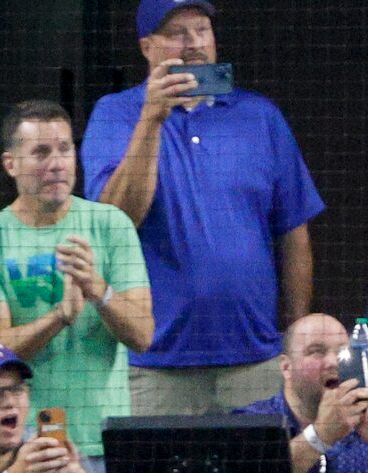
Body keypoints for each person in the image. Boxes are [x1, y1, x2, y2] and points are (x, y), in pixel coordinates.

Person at [81, 1, 323, 417]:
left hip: (254, 360)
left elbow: (294, 235)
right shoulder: (115, 114)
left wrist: (295, 335)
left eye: (203, 30)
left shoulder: (260, 116)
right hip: (153, 365)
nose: (194, 44)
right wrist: (151, 119)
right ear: (146, 47)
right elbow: (115, 222)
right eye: (178, 33)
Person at [0, 101, 152, 463]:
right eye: (41, 153)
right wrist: (59, 317)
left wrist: (99, 290)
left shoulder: (112, 226)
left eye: (65, 149)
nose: (57, 164)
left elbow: (143, 335)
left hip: (104, 441)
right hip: (24, 445)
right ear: (10, 164)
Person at [233, 313, 368, 473]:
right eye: (317, 352)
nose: (333, 362)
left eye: (342, 352)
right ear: (286, 367)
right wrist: (319, 436)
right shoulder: (253, 422)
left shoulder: (360, 425)